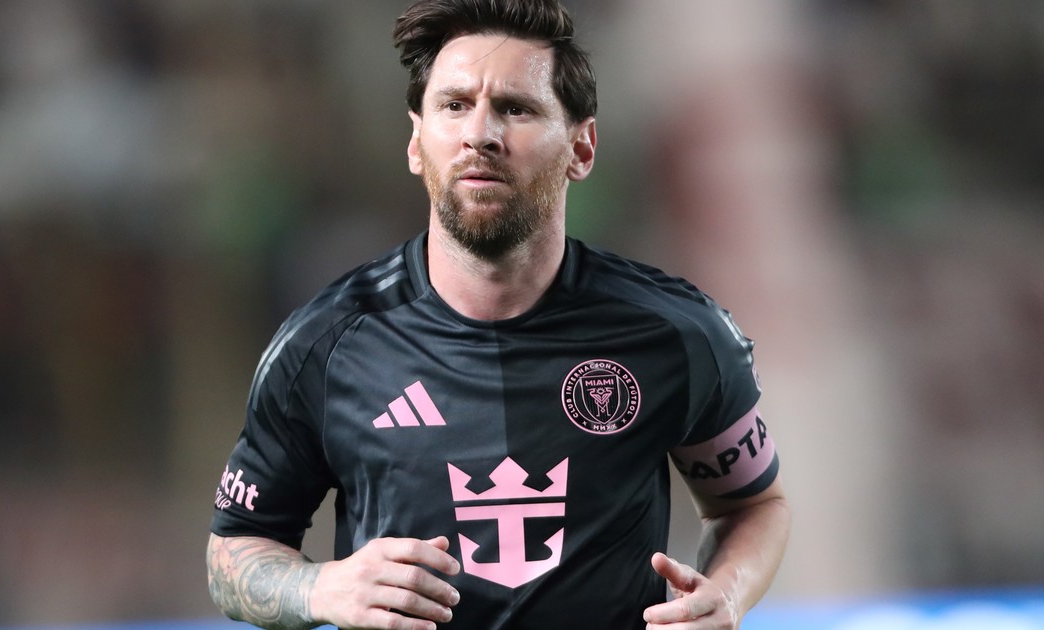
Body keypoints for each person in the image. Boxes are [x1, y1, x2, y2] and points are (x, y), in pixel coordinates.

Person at [206, 0, 791, 628]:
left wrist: (726, 594)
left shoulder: (678, 334)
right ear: (416, 142)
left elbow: (754, 505)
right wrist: (320, 588)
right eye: (455, 105)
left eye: (515, 108)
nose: (480, 134)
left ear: (582, 147)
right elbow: (234, 548)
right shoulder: (325, 346)